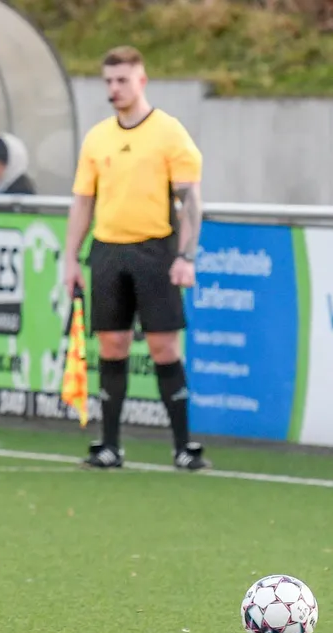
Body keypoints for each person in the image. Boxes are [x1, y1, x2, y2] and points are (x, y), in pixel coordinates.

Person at [64, 45, 209, 471]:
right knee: (111, 343)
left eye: (122, 80)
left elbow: (191, 201)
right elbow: (82, 202)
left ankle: (184, 447)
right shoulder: (97, 137)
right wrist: (71, 258)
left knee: (164, 346)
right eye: (108, 81)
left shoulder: (169, 133)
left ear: (141, 81)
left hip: (155, 251)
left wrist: (186, 256)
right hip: (107, 252)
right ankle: (109, 446)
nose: (114, 89)